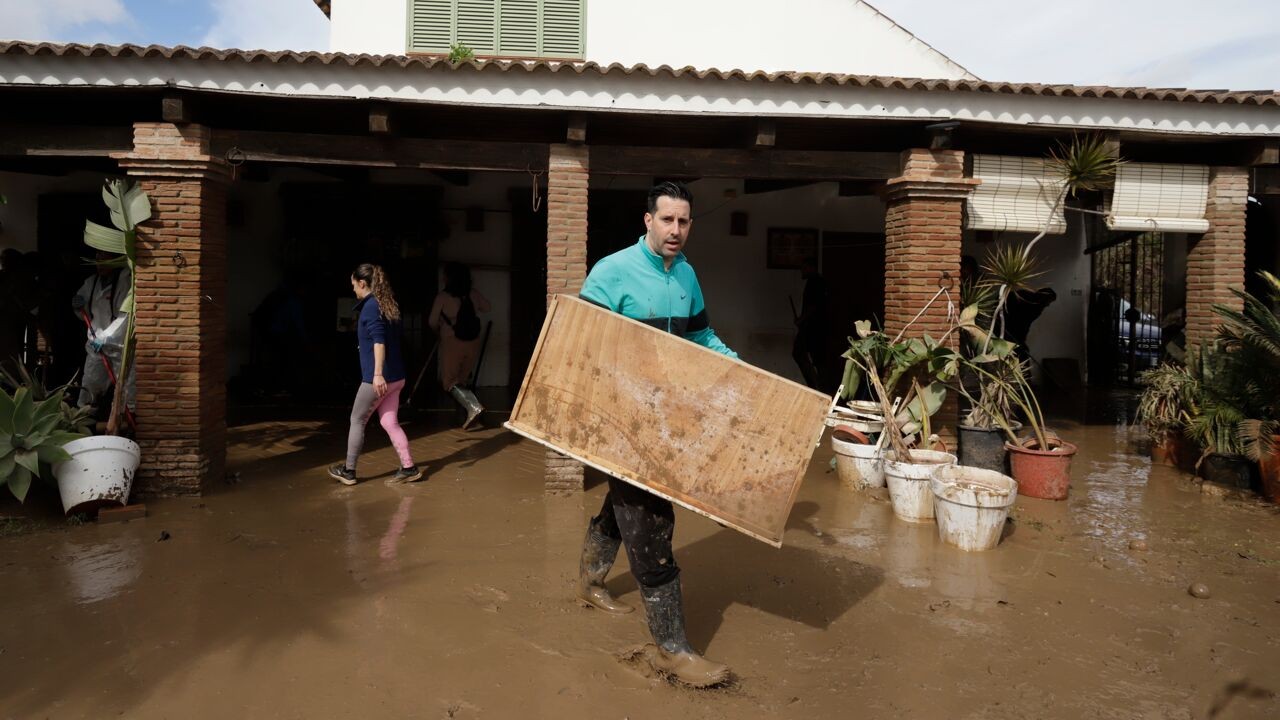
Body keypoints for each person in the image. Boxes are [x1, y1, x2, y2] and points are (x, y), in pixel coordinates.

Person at [575, 181, 735, 688]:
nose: (676, 230)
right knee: (651, 518)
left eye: (684, 221)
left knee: (620, 506)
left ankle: (589, 581)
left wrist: (740, 372)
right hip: (620, 419)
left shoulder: (685, 273)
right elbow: (581, 342)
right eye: (667, 220)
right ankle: (672, 649)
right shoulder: (611, 271)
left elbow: (700, 335)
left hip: (664, 418)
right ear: (648, 220)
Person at [328, 264, 422, 486]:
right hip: (397, 377)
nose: (353, 290)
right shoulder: (387, 305)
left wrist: (378, 374)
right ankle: (409, 468)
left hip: (378, 378)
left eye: (353, 285)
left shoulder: (370, 307)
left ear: (362, 283)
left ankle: (348, 471)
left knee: (357, 419)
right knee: (390, 422)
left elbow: (379, 342)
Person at [428, 262, 491, 429]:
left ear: (448, 278)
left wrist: (440, 331)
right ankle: (468, 417)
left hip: (451, 341)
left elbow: (432, 322)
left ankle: (473, 407)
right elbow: (487, 307)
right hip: (472, 341)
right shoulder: (473, 293)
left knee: (449, 381)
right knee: (462, 379)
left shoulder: (443, 297)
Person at [71, 251, 134, 411]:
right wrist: (78, 305)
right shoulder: (91, 283)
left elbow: (124, 317)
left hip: (120, 347)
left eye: (105, 260)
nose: (100, 264)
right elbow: (83, 311)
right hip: (95, 344)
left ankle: (127, 422)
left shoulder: (125, 283)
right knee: (91, 383)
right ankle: (85, 418)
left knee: (126, 389)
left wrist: (106, 338)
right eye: (98, 260)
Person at [791, 256, 827, 389]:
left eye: (804, 268)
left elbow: (814, 306)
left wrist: (801, 319)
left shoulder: (816, 282)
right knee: (810, 356)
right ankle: (817, 385)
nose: (802, 271)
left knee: (802, 353)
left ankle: (817, 386)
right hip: (811, 326)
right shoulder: (815, 281)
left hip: (813, 327)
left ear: (811, 268)